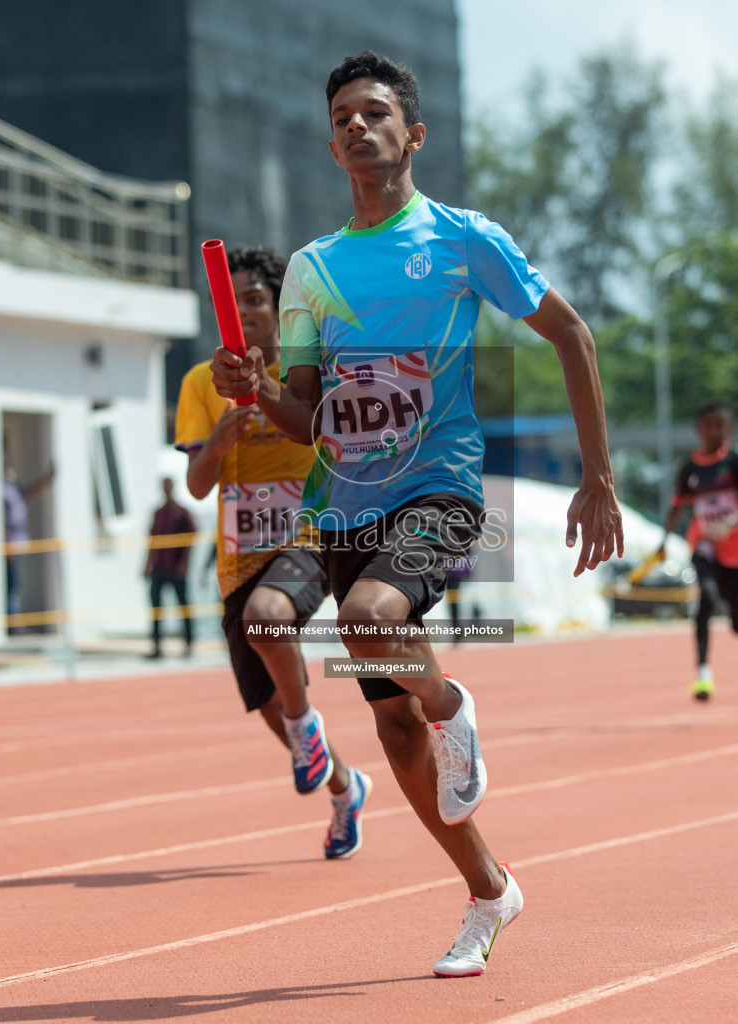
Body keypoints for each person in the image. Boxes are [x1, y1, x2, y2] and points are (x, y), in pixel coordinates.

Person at [211, 50, 623, 977]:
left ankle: (452, 700)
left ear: (413, 133)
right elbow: (309, 416)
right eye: (344, 117)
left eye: (376, 112)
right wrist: (257, 386)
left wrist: (598, 475)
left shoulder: (461, 237)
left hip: (440, 491)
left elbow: (570, 333)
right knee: (392, 727)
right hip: (350, 508)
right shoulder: (314, 270)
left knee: (368, 625)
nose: (359, 126)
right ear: (331, 145)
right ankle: (489, 891)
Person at [176, 244, 371, 858]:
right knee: (264, 701)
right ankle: (346, 787)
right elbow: (197, 485)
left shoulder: (308, 368)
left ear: (279, 306)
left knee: (269, 620)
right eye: (233, 302)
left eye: (256, 299)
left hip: (310, 533)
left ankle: (302, 720)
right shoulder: (198, 384)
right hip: (239, 553)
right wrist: (214, 445)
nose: (245, 311)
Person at [659, 401, 738, 702]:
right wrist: (662, 541)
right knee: (706, 600)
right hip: (707, 545)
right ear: (698, 429)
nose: (714, 430)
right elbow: (676, 506)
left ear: (729, 428)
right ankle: (702, 675)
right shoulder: (689, 468)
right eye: (708, 424)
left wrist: (733, 519)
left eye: (720, 425)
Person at [144, 478, 196, 658]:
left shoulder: (182, 513)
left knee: (184, 606)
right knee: (156, 609)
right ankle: (157, 646)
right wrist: (146, 565)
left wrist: (185, 564)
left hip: (176, 569)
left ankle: (189, 644)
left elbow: (191, 538)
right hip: (159, 568)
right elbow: (152, 540)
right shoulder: (158, 513)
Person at [3, 464, 55, 636]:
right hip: (11, 547)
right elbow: (3, 523)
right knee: (12, 586)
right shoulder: (2, 491)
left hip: (19, 546)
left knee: (16, 585)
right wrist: (8, 545)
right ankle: (13, 626)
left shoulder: (13, 488)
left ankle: (15, 623)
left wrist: (48, 479)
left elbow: (32, 491)